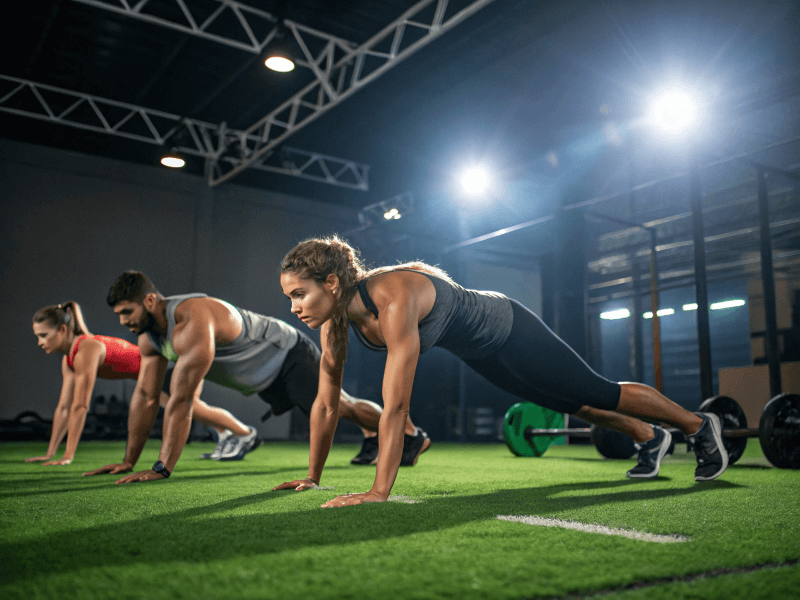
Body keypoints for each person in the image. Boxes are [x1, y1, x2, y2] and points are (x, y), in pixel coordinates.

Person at [274, 235, 729, 508]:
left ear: (331, 283)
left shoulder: (391, 297)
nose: (295, 308)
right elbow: (326, 401)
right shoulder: (335, 323)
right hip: (480, 352)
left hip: (508, 327)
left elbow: (395, 408)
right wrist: (313, 477)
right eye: (290, 299)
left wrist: (378, 492)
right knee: (563, 402)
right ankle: (650, 437)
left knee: (595, 389)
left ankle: (697, 425)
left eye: (299, 295)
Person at [87, 271, 429, 483]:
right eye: (118, 315)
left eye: (127, 312)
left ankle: (411, 435)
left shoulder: (192, 319)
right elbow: (146, 398)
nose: (123, 323)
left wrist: (162, 467)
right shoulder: (150, 338)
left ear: (149, 300)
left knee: (338, 406)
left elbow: (181, 400)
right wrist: (128, 461)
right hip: (262, 377)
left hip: (286, 354)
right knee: (340, 407)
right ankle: (375, 437)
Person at [29, 302, 261, 466]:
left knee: (193, 408)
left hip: (165, 366)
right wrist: (51, 454)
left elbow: (80, 406)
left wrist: (67, 455)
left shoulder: (86, 349)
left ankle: (246, 434)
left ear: (62, 330)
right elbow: (64, 407)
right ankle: (227, 434)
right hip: (149, 375)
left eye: (43, 335)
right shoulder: (68, 359)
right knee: (192, 408)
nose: (39, 342)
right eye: (37, 337)